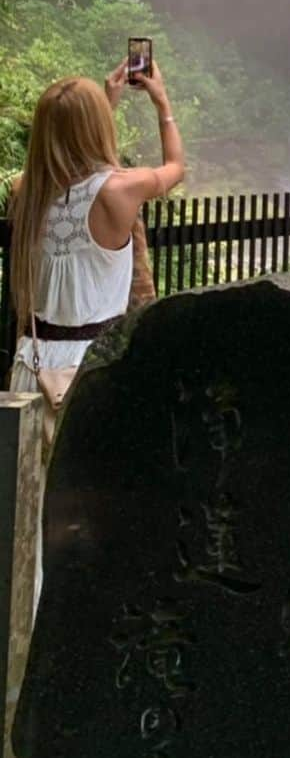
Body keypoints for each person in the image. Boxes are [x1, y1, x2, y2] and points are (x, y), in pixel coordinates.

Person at [6, 62, 184, 605]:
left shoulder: (24, 193)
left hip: (30, 367)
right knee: (97, 509)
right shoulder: (118, 192)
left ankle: (26, 644)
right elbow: (176, 167)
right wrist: (161, 104)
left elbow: (65, 163)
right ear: (97, 129)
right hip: (92, 369)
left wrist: (92, 106)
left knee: (30, 518)